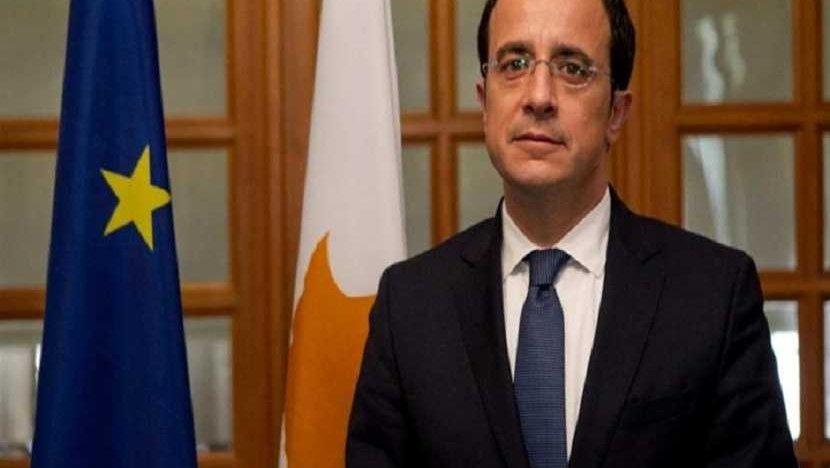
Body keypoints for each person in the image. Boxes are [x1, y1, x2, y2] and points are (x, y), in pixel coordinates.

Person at [346, 0, 798, 466]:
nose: (539, 96)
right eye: (515, 64)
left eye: (572, 68)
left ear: (616, 113)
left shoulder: (714, 297)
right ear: (484, 102)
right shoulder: (410, 307)